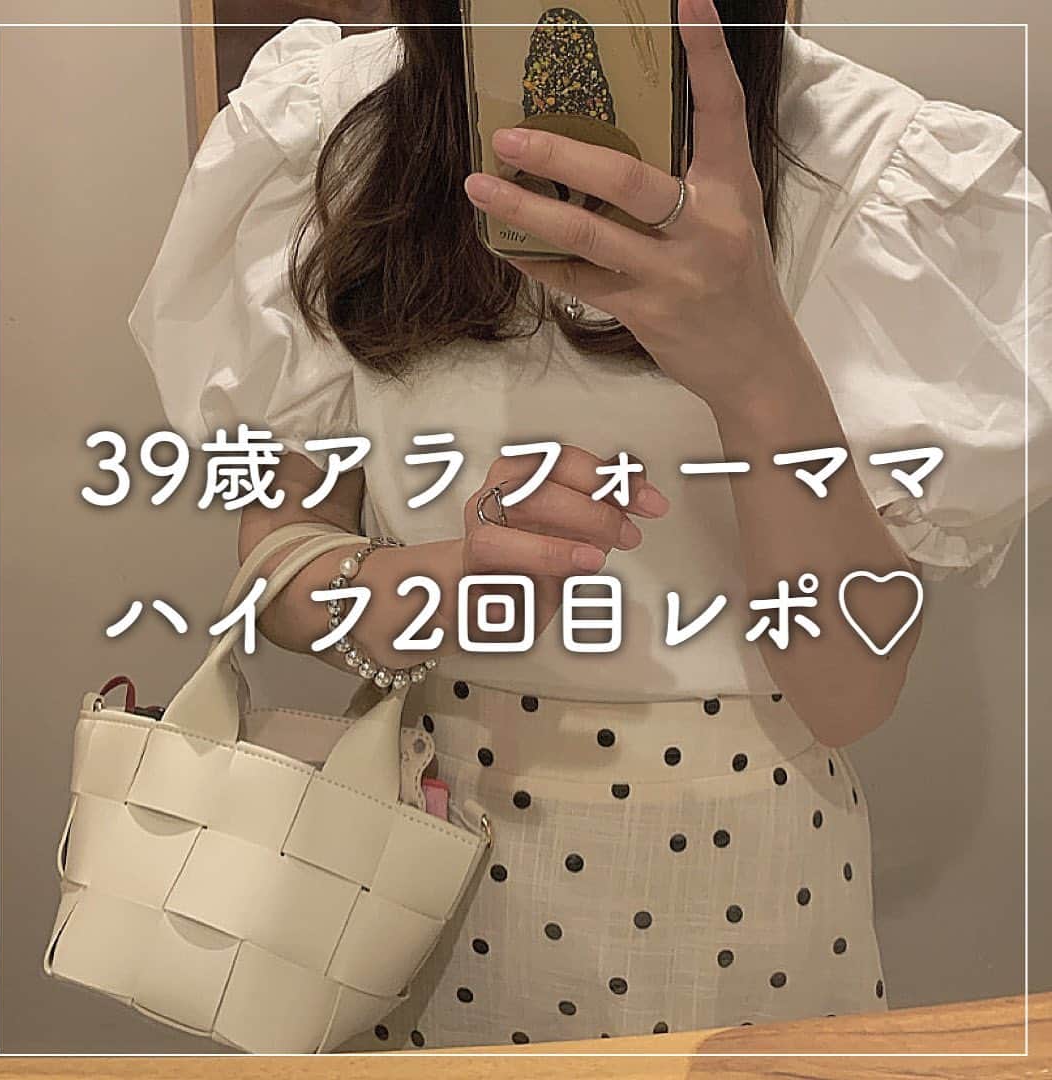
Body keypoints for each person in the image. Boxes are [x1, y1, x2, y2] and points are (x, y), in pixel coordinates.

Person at [128, 0, 1052, 1051]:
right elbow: (278, 577)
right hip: (407, 854)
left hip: (751, 884)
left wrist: (756, 359)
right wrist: (447, 580)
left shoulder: (874, 166)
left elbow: (850, 692)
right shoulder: (334, 133)